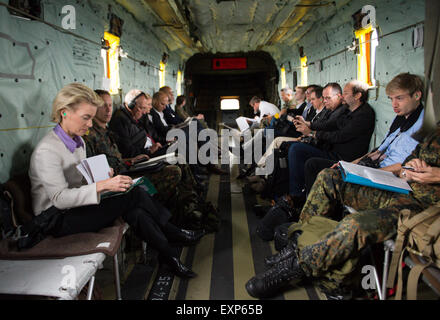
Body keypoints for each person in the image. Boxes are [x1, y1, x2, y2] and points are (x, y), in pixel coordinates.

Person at [28, 83, 204, 278]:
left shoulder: (77, 142)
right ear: (64, 113)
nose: (89, 125)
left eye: (91, 118)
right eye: (86, 118)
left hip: (75, 208)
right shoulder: (48, 150)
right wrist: (102, 185)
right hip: (56, 220)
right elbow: (59, 198)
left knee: (135, 210)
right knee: (133, 195)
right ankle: (172, 234)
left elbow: (79, 179)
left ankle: (169, 256)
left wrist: (102, 175)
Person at [246, 124, 440, 299]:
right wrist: (406, 171)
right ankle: (300, 240)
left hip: (424, 208)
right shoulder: (434, 133)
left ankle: (297, 265)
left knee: (355, 224)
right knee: (329, 177)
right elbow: (405, 165)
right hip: (403, 188)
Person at [84, 90, 220, 233]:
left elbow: (119, 157)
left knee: (179, 160)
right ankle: (180, 217)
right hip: (124, 176)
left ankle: (192, 206)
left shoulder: (106, 130)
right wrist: (142, 154)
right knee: (174, 169)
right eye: (103, 106)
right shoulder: (98, 132)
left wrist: (130, 159)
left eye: (110, 105)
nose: (108, 109)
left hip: (132, 164)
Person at [304, 73, 425, 194]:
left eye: (399, 98)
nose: (394, 105)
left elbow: (404, 165)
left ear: (416, 95)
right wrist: (350, 166)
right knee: (327, 171)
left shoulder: (423, 125)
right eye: (391, 99)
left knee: (327, 176)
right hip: (375, 168)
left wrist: (369, 174)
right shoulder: (400, 119)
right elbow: (379, 151)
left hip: (390, 178)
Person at [285, 80, 375, 208]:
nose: (342, 96)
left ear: (358, 96)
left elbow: (340, 136)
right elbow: (329, 125)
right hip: (333, 151)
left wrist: (312, 133)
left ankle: (307, 202)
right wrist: (309, 124)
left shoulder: (364, 115)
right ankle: (297, 195)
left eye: (345, 93)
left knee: (304, 156)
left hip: (344, 159)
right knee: (296, 148)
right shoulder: (348, 110)